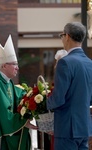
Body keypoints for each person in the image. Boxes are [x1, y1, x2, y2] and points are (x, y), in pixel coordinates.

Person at [46, 22, 92, 150]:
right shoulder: (90, 63)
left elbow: (58, 98)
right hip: (84, 126)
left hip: (67, 127)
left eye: (62, 36)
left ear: (67, 36)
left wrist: (45, 104)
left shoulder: (65, 62)